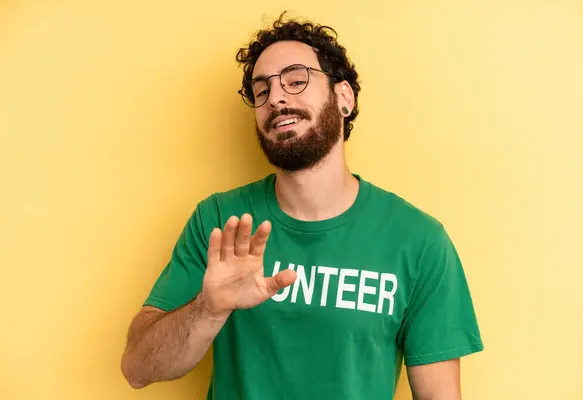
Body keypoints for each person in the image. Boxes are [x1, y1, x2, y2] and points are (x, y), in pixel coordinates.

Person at [120, 13, 483, 400]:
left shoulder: (419, 241)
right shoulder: (219, 222)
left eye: (296, 80)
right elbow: (137, 368)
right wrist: (208, 310)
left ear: (343, 98)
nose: (275, 97)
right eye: (262, 91)